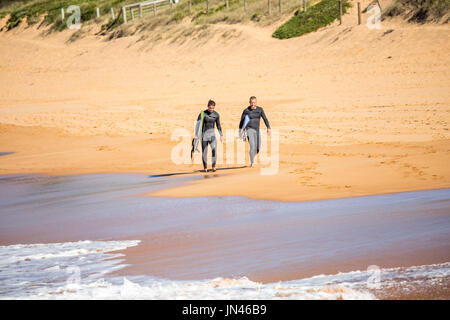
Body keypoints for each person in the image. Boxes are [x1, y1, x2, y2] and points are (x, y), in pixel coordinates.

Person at [238, 96, 271, 167]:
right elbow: (241, 121)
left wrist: (268, 127)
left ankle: (252, 156)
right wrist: (240, 131)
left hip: (257, 130)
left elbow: (265, 119)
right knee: (252, 146)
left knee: (258, 148)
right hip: (249, 129)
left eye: (254, 102)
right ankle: (252, 162)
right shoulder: (246, 111)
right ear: (249, 102)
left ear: (256, 102)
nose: (253, 104)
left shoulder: (260, 110)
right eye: (251, 103)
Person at [195, 99, 223, 172]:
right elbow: (198, 125)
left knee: (214, 150)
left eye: (213, 108)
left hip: (212, 136)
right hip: (204, 136)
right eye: (210, 108)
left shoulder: (216, 114)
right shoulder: (202, 113)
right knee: (205, 152)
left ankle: (213, 166)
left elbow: (218, 125)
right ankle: (205, 168)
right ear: (207, 106)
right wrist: (196, 135)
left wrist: (221, 135)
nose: (211, 109)